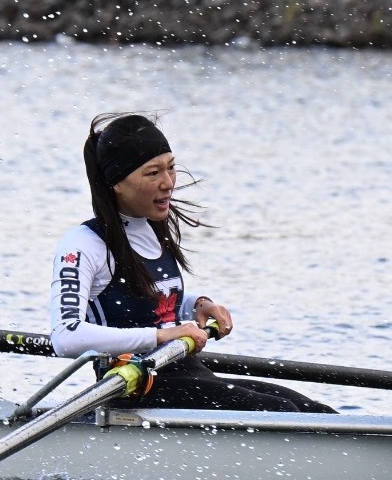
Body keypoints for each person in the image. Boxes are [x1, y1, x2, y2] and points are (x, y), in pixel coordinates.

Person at [50, 113, 333, 413]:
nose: (168, 183)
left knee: (312, 410)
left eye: (171, 168)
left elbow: (144, 297)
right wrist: (161, 336)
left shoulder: (150, 228)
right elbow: (66, 336)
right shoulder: (83, 245)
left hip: (182, 371)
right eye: (152, 173)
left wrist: (197, 305)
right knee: (282, 411)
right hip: (131, 387)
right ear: (116, 183)